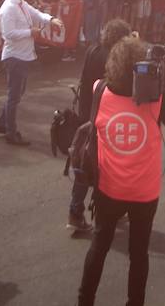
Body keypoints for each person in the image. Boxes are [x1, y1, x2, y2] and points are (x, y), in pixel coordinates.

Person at [77, 36, 165, 306]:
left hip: (108, 188)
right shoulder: (156, 99)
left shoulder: (100, 90)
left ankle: (85, 300)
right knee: (139, 253)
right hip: (145, 191)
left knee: (99, 245)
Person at [66, 18, 133, 235]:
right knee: (101, 165)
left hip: (88, 113)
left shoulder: (93, 50)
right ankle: (80, 210)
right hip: (105, 116)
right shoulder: (114, 57)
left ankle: (82, 210)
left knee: (88, 163)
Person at [0, 0, 62, 146]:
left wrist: (51, 19)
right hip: (15, 57)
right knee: (14, 96)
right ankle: (11, 132)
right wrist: (30, 32)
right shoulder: (9, 8)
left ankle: (3, 124)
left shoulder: (20, 3)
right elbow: (8, 34)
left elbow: (36, 13)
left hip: (23, 55)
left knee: (16, 94)